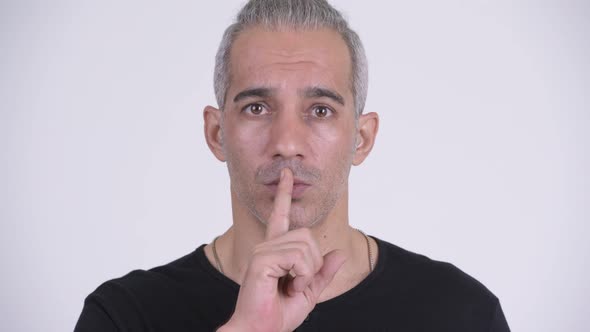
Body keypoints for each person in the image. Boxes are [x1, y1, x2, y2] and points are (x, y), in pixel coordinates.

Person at [75, 0, 510, 331]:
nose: (286, 143)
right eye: (257, 108)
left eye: (320, 110)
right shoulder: (123, 316)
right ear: (215, 133)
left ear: (362, 138)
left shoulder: (461, 313)